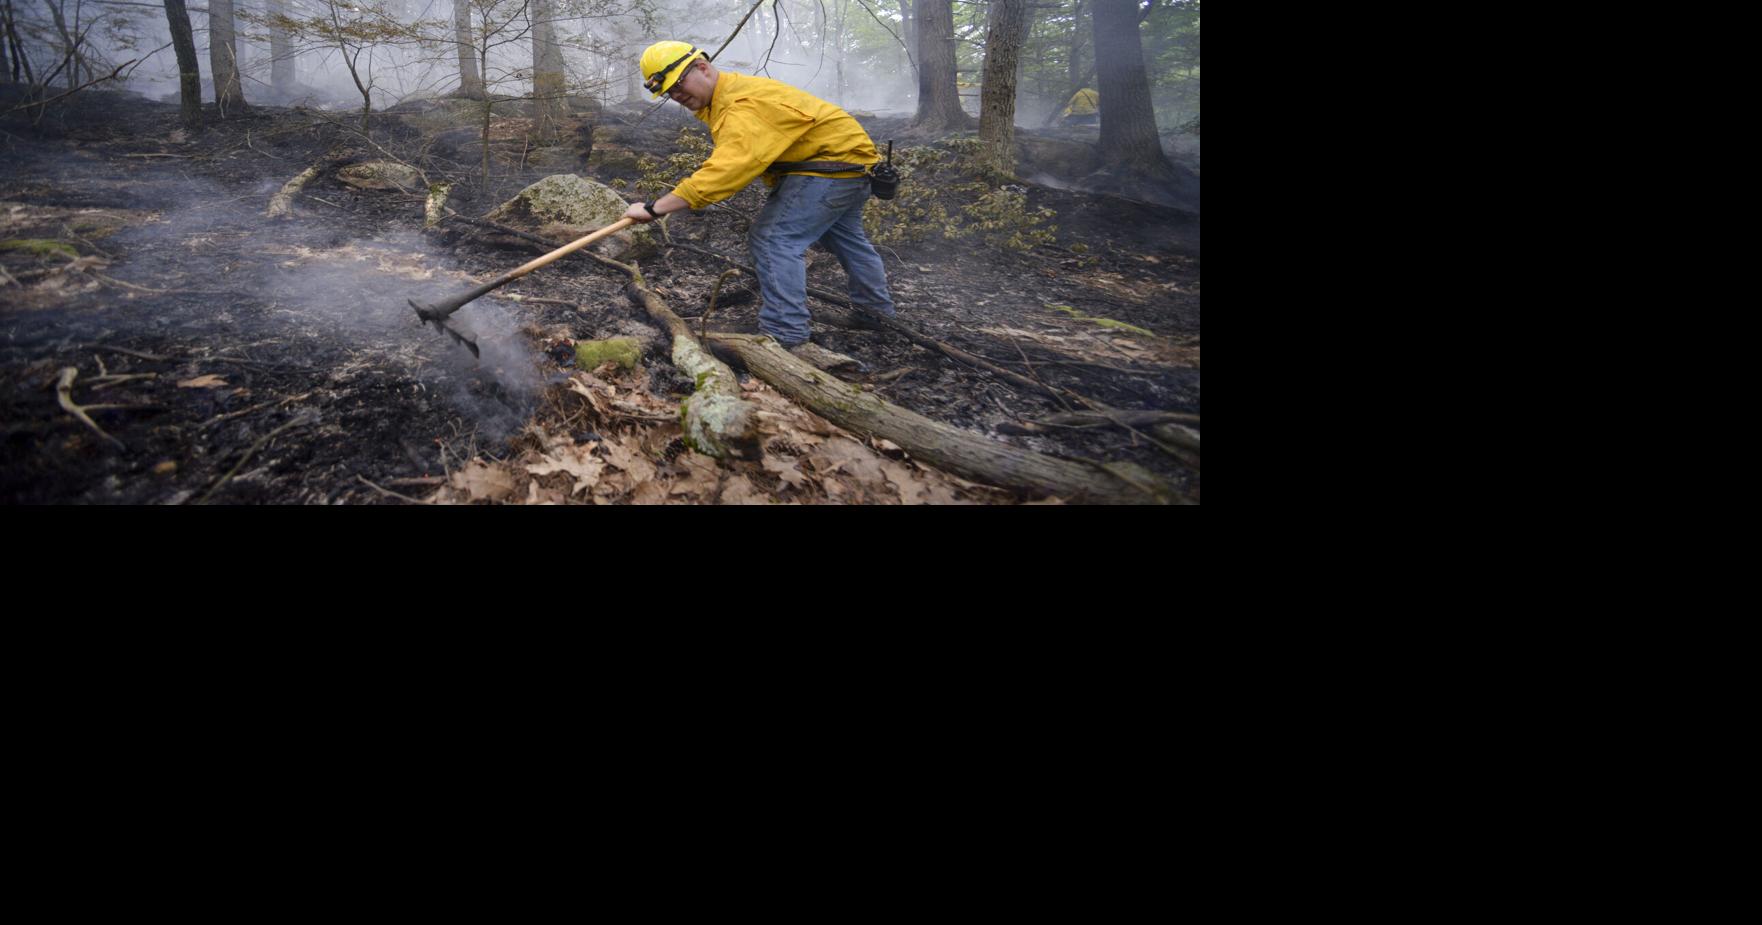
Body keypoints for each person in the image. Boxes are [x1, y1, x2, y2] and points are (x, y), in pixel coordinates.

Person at [620, 41, 896, 350]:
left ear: (702, 67)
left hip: (829, 167)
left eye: (678, 84)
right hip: (851, 165)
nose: (677, 95)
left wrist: (655, 208)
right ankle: (876, 313)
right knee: (844, 237)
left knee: (773, 239)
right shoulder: (729, 97)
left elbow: (728, 170)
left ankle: (785, 333)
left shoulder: (741, 104)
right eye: (669, 92)